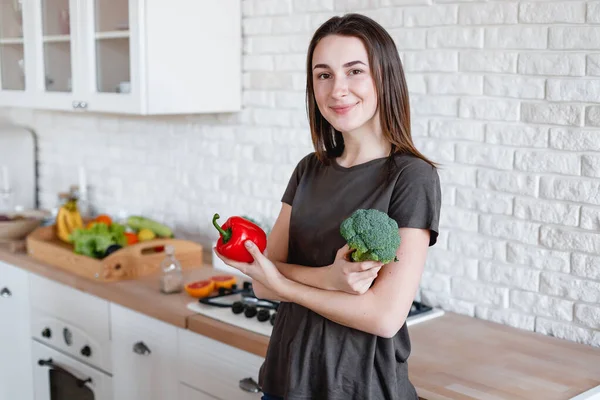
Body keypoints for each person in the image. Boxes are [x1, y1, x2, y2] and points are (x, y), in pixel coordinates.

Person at [215, 13, 441, 400]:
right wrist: (330, 281)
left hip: (361, 390)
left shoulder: (411, 177)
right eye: (323, 75)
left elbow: (384, 317)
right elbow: (261, 285)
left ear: (384, 77)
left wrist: (285, 282)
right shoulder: (309, 169)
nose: (338, 89)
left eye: (355, 71)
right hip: (283, 382)